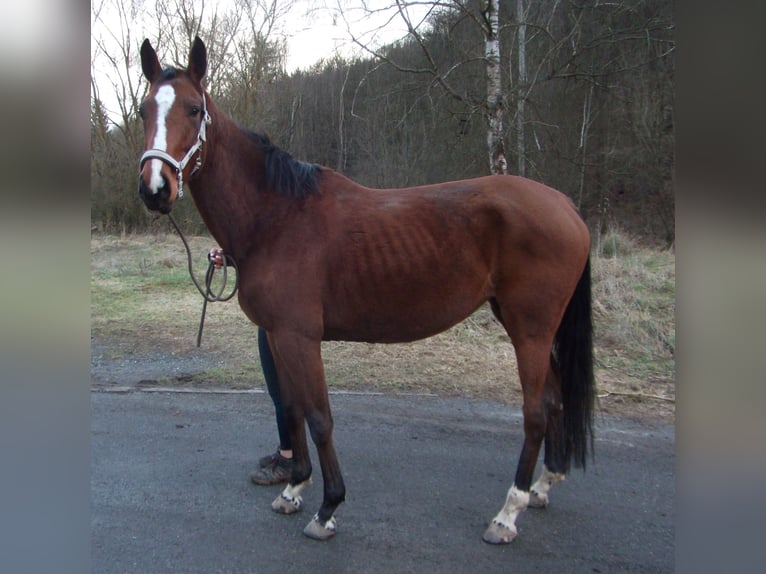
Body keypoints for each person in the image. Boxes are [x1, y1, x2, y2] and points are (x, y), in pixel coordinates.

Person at [209, 248, 292, 485]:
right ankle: (288, 450)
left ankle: (289, 458)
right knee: (279, 390)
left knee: (282, 392)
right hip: (273, 307)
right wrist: (229, 258)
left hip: (281, 310)